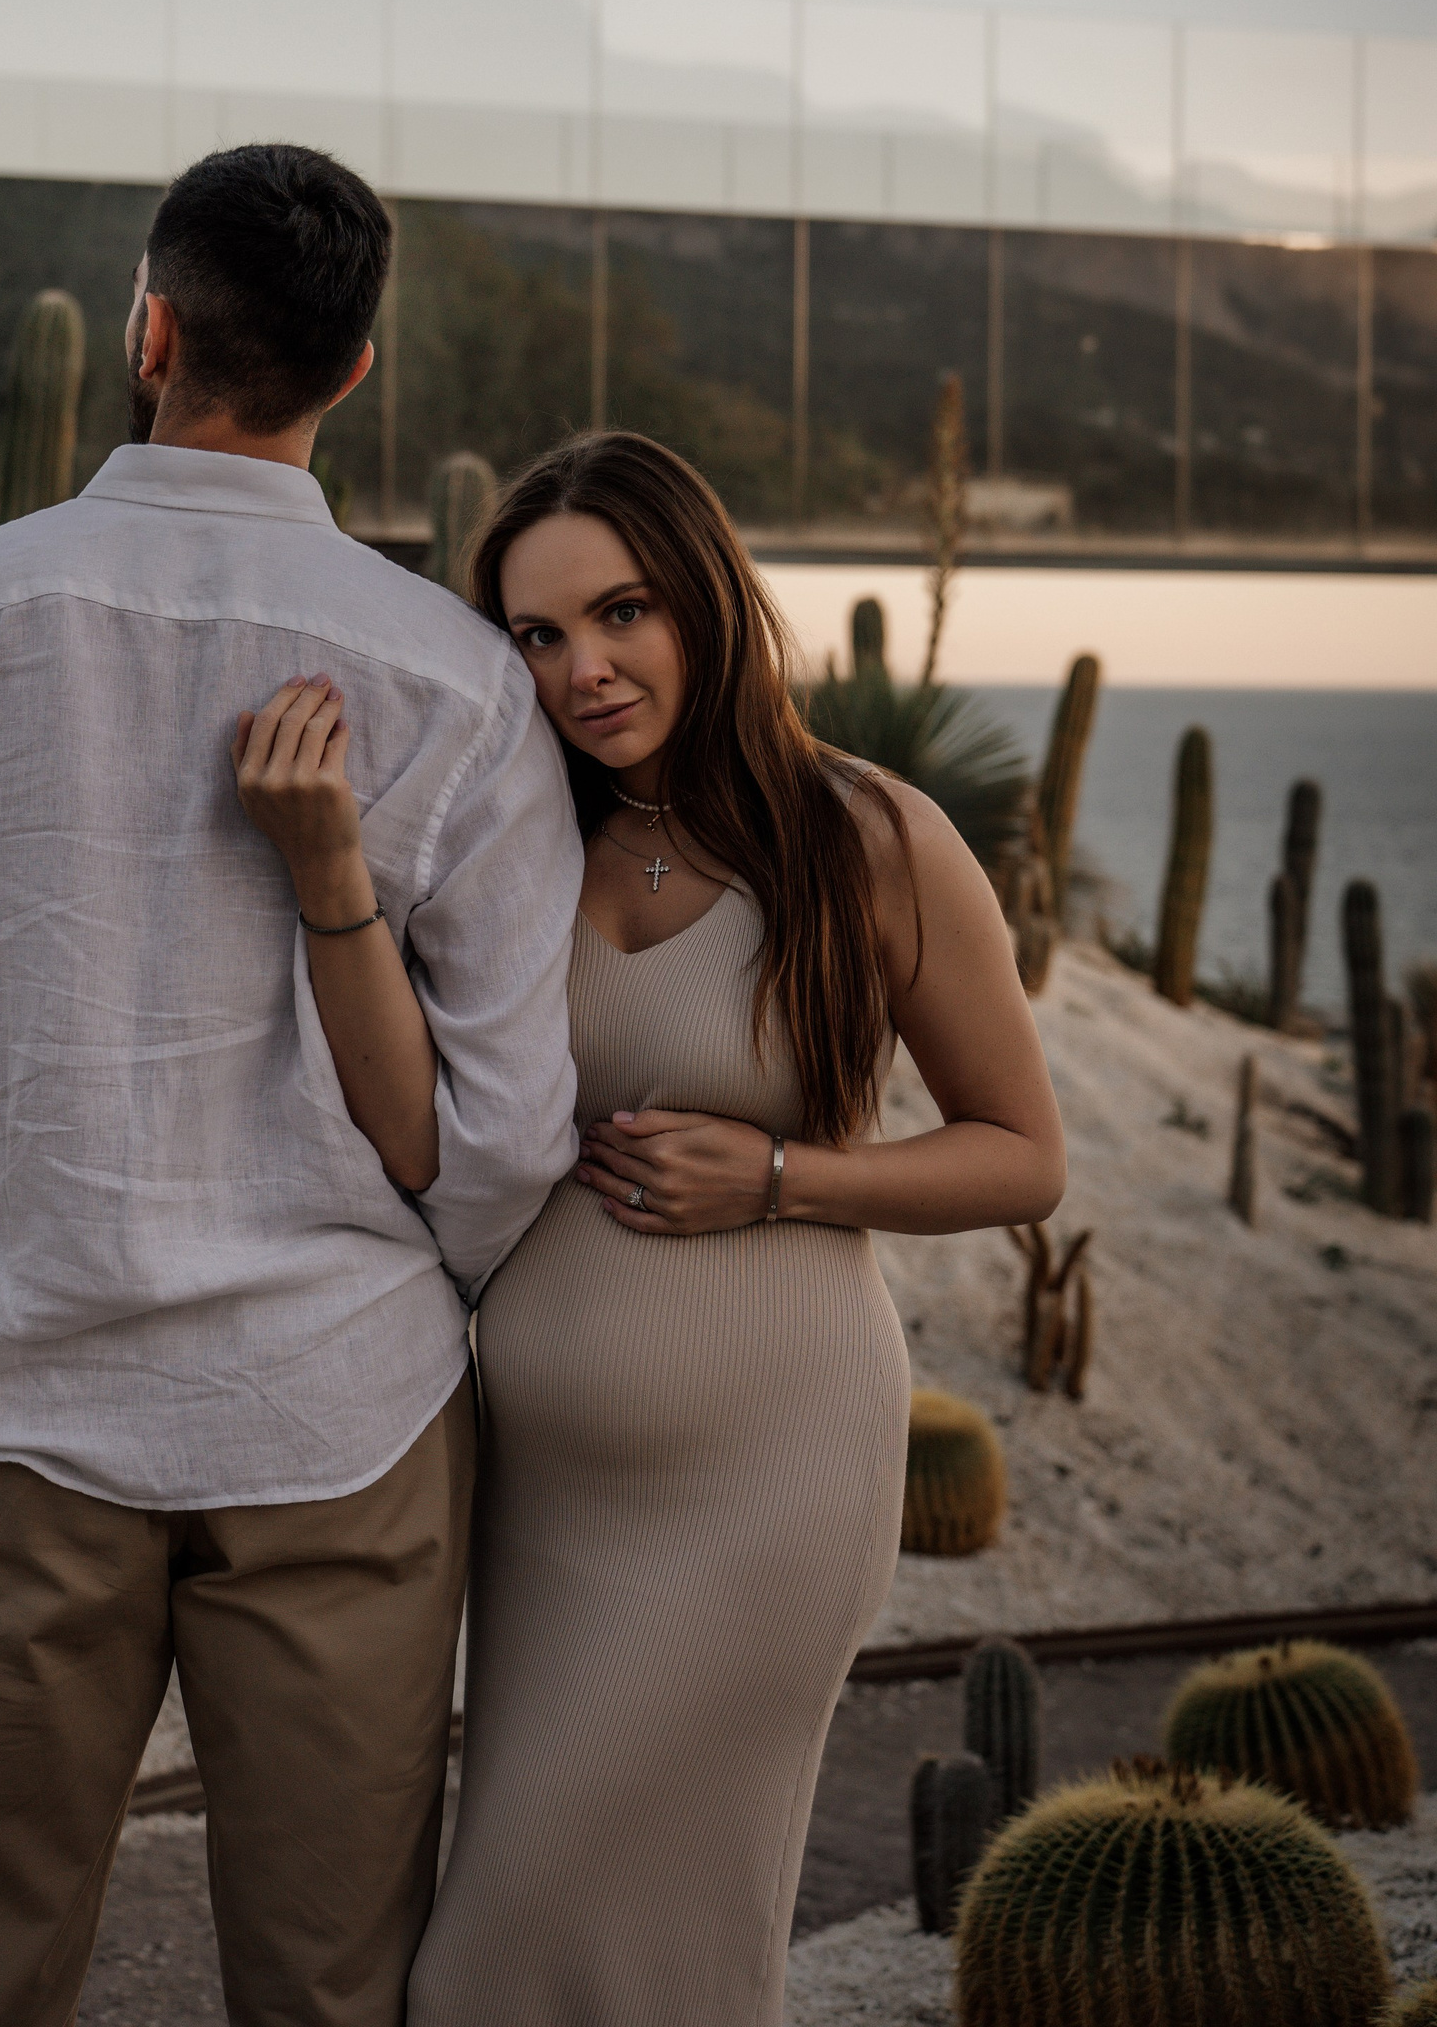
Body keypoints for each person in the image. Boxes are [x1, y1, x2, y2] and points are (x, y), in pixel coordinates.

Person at [0, 143, 580, 2027]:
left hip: (21, 1393)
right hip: (343, 1417)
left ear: (148, 334)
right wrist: (406, 1295)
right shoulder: (462, 682)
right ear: (355, 372)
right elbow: (504, 1140)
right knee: (331, 1983)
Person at [257, 426, 1065, 2027]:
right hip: (543, 1496)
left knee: (503, 1964)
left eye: (621, 612)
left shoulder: (869, 838)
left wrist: (782, 1177)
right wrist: (328, 870)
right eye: (539, 634)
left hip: (770, 1485)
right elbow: (413, 1127)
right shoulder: (515, 843)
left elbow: (1022, 1156)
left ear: (704, 595)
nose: (585, 671)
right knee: (621, 1960)